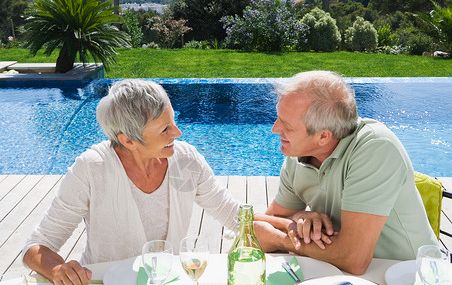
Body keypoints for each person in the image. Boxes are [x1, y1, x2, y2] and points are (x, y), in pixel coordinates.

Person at [22, 79, 240, 285]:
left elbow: (238, 219)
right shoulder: (92, 168)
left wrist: (274, 234)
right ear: (128, 140)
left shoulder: (186, 162)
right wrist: (57, 270)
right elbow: (36, 247)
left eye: (173, 121)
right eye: (165, 129)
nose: (178, 132)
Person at [254, 70, 438, 275]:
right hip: (338, 274)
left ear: (323, 136)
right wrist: (297, 218)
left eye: (286, 125)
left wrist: (281, 239)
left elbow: (354, 259)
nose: (274, 128)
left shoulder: (375, 148)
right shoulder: (298, 154)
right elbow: (262, 224)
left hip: (408, 275)